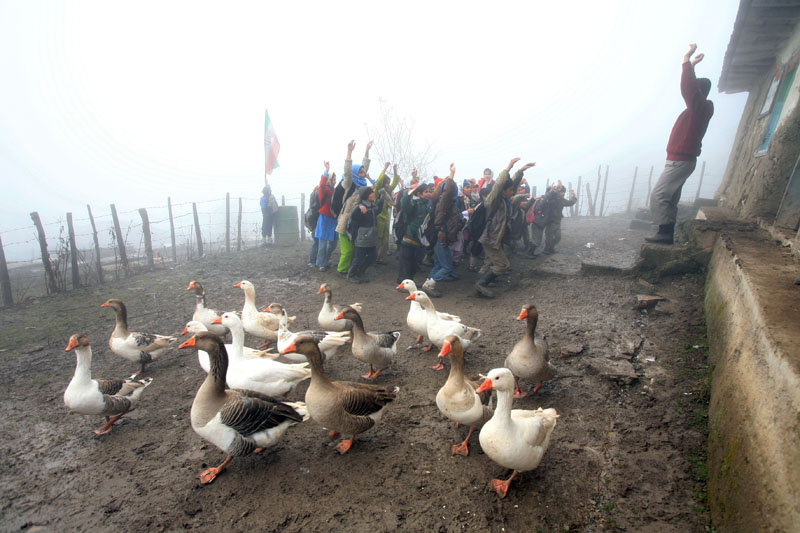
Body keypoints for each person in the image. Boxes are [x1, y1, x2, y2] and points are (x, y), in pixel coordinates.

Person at [647, 43, 714, 245]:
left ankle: (664, 232)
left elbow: (689, 89)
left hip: (680, 160)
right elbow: (691, 89)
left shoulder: (700, 107)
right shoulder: (698, 110)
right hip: (680, 159)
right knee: (670, 197)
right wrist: (692, 66)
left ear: (699, 93)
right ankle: (665, 233)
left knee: (658, 195)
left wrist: (686, 60)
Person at [475, 158, 536, 298]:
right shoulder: (493, 200)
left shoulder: (505, 200)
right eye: (509, 190)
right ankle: (481, 284)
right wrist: (509, 166)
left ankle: (483, 282)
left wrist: (521, 170)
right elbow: (499, 185)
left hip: (496, 238)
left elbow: (510, 185)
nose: (512, 192)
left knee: (492, 262)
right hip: (490, 238)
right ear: (503, 191)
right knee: (503, 265)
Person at [422, 164, 462, 295]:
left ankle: (427, 283)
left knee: (439, 264)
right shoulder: (444, 203)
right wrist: (451, 177)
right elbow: (448, 192)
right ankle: (430, 285)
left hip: (439, 236)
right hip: (442, 236)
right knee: (447, 267)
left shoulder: (438, 201)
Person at [335, 140, 372, 275]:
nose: (363, 174)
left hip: (356, 223)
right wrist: (349, 152)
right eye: (360, 172)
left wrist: (367, 150)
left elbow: (365, 167)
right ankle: (342, 270)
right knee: (348, 250)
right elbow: (348, 172)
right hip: (345, 223)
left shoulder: (362, 186)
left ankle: (351, 269)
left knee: (356, 248)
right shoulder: (349, 184)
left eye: (363, 172)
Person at [396, 183, 434, 287]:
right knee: (405, 260)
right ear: (419, 193)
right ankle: (402, 282)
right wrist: (408, 193)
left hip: (420, 238)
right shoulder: (414, 203)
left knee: (414, 262)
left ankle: (409, 281)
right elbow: (404, 205)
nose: (429, 194)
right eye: (426, 192)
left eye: (430, 192)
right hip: (409, 236)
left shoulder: (428, 205)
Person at [346, 186, 383, 283]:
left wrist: (382, 199)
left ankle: (360, 272)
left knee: (373, 257)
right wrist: (358, 208)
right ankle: (351, 275)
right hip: (362, 237)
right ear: (365, 195)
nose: (373, 194)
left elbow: (377, 211)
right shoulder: (360, 206)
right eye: (371, 193)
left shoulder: (372, 205)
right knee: (358, 258)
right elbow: (353, 217)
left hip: (371, 237)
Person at [530, 182, 576, 255]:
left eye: (563, 192)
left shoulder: (561, 199)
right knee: (548, 237)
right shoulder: (551, 199)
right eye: (561, 192)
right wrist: (555, 190)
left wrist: (574, 196)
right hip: (550, 221)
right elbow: (546, 200)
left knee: (558, 237)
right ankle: (546, 249)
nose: (562, 194)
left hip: (557, 220)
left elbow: (570, 202)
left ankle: (550, 248)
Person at [374, 162, 400, 263]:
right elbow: (378, 181)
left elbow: (395, 181)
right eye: (386, 183)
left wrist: (395, 170)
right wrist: (385, 168)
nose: (388, 185)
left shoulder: (388, 191)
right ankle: (375, 257)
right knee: (378, 239)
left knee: (385, 239)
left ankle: (380, 258)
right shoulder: (377, 192)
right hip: (378, 218)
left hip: (386, 219)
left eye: (388, 183)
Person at [314, 162, 337, 271]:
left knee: (333, 244)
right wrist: (326, 171)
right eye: (333, 179)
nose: (334, 182)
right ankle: (320, 263)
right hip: (324, 218)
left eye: (335, 180)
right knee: (322, 243)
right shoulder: (323, 189)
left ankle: (325, 261)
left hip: (333, 219)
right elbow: (322, 184)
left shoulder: (335, 190)